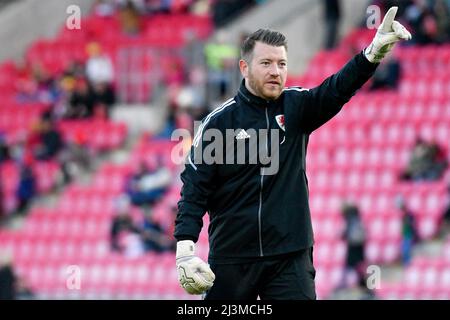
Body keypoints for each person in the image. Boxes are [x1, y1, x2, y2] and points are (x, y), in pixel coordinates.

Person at [174, 7, 411, 300]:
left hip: (289, 257)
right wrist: (185, 247)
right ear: (244, 68)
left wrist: (372, 54)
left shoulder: (295, 107)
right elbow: (195, 187)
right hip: (232, 258)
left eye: (282, 64)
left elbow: (336, 89)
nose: (276, 71)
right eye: (266, 63)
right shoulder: (219, 123)